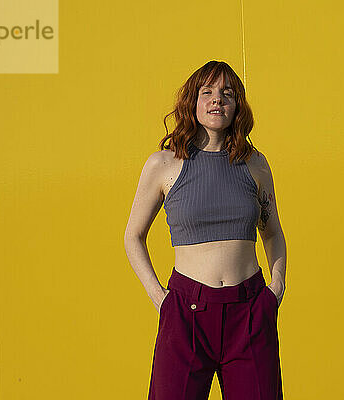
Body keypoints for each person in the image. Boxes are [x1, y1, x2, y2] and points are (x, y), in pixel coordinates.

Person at [124, 60, 287, 400]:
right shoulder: (164, 164)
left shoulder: (255, 163)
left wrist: (275, 289)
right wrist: (160, 298)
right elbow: (133, 237)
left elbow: (272, 232)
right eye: (207, 92)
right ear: (192, 102)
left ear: (237, 105)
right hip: (186, 312)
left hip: (250, 310)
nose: (217, 100)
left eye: (227, 94)